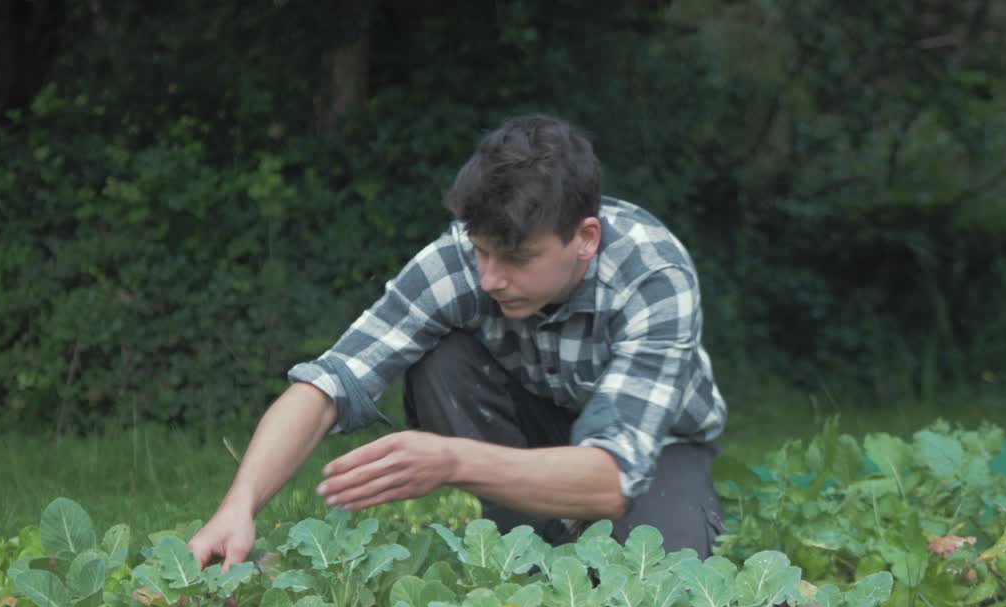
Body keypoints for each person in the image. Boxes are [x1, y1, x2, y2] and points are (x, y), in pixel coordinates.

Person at [187, 114, 728, 571]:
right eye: (480, 250)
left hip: (654, 447)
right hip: (538, 423)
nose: (489, 278)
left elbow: (612, 478)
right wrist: (239, 505)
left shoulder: (652, 273)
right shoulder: (466, 258)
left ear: (585, 238)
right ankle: (530, 551)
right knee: (442, 361)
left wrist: (451, 462)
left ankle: (590, 548)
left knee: (669, 593)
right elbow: (331, 380)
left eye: (516, 260)